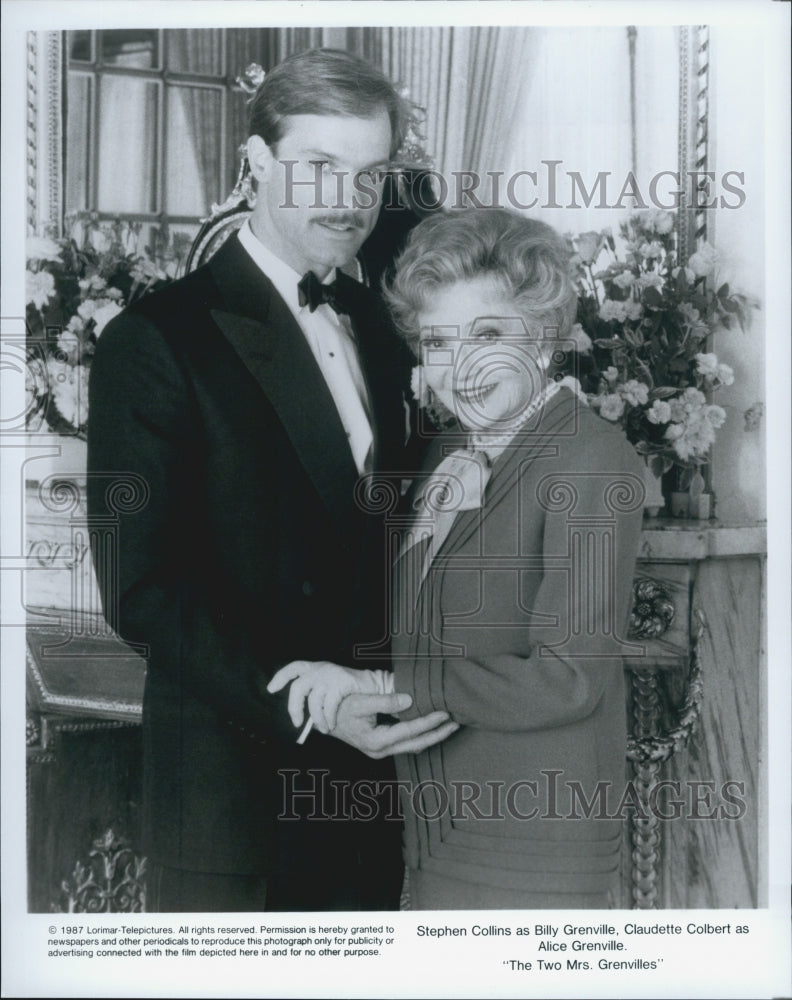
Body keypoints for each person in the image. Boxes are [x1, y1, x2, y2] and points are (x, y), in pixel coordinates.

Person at [87, 47, 456, 914]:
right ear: (255, 164)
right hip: (235, 795)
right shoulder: (155, 339)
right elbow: (140, 589)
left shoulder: (386, 324)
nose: (347, 201)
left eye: (368, 175)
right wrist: (314, 705)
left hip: (377, 786)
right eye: (319, 167)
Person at [269, 208, 645, 909]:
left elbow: (569, 678)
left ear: (543, 335)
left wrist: (382, 684)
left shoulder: (591, 458)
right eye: (438, 342)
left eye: (489, 335)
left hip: (533, 845)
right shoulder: (449, 455)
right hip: (434, 832)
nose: (461, 368)